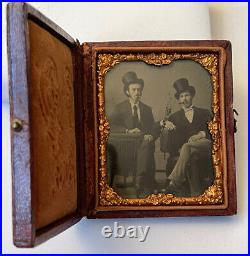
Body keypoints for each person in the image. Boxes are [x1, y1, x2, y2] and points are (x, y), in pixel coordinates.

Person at [161, 78, 213, 196]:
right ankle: (196, 194)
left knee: (187, 147)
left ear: (192, 96)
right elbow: (172, 139)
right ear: (179, 100)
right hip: (190, 150)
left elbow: (215, 130)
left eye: (187, 95)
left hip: (205, 145)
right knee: (189, 152)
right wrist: (166, 124)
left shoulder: (204, 113)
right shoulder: (174, 117)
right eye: (182, 96)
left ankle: (173, 182)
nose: (184, 98)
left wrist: (200, 134)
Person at [108, 71, 157, 197]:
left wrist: (150, 135)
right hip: (126, 145)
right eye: (134, 90)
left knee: (147, 145)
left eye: (139, 90)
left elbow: (152, 127)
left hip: (143, 143)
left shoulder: (147, 109)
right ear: (127, 92)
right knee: (145, 148)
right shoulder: (119, 108)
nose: (137, 93)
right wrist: (127, 131)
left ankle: (142, 184)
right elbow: (110, 125)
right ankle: (144, 183)